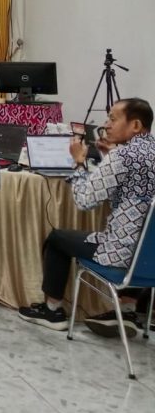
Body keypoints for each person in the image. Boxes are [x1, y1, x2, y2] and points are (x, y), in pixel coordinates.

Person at [18, 98, 155, 331]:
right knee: (138, 240)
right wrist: (107, 158)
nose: (106, 125)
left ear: (135, 125)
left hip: (120, 254)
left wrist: (78, 163)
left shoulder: (123, 156)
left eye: (112, 119)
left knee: (57, 239)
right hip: (148, 256)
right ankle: (127, 311)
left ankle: (52, 311)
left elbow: (85, 200)